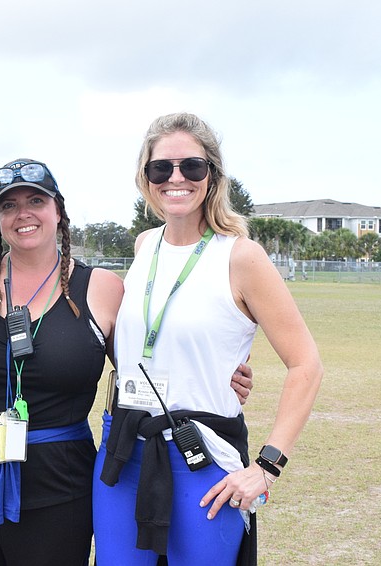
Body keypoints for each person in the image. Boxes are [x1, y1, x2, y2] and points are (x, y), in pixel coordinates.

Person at [0, 158, 254, 566]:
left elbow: (148, 358)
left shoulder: (101, 288)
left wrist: (226, 370)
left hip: (59, 485)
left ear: (58, 211)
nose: (23, 214)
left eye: (36, 200)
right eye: (8, 206)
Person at [94, 113, 323, 566]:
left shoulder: (241, 256)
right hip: (122, 453)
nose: (176, 178)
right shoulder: (144, 247)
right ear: (146, 177)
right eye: (162, 168)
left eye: (191, 167)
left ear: (212, 176)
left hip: (202, 459)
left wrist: (267, 468)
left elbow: (306, 365)